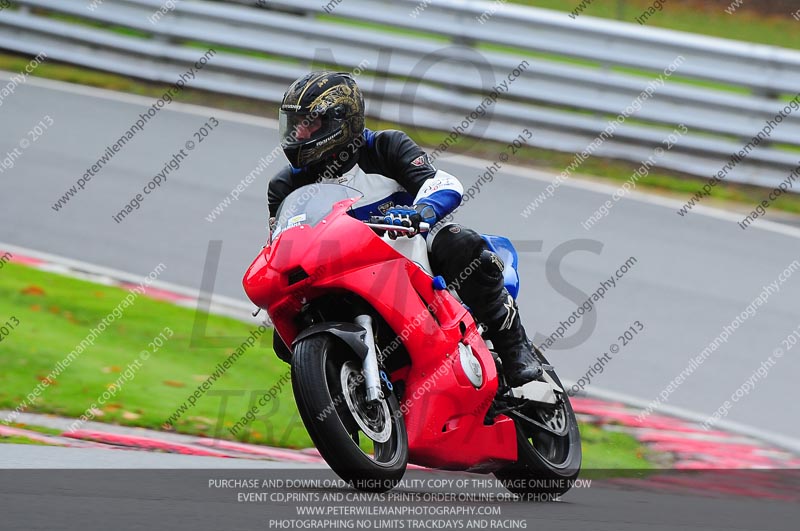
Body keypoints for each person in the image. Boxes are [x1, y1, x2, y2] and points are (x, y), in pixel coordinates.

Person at [267, 71, 542, 387]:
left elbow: (441, 182)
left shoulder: (385, 147)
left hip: (409, 253)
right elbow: (281, 243)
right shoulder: (284, 186)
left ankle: (513, 347)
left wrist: (418, 211)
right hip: (340, 272)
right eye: (295, 124)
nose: (299, 134)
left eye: (310, 124)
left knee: (457, 242)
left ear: (341, 121)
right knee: (285, 332)